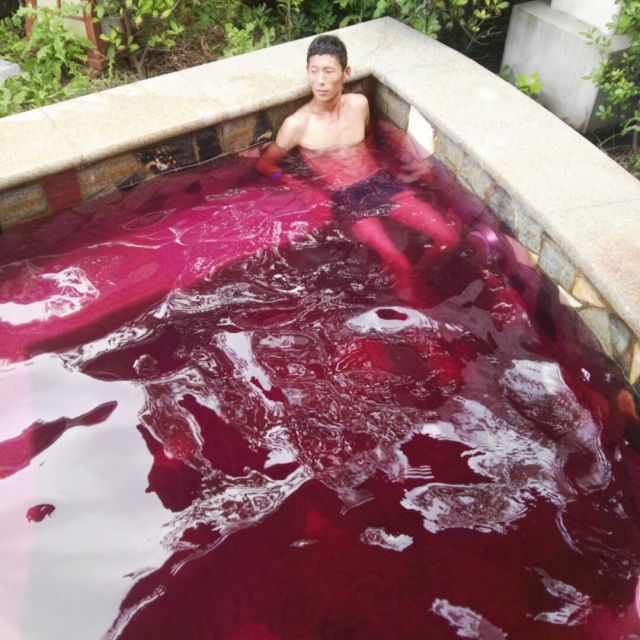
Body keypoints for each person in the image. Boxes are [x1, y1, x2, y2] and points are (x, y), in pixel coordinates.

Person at [256, 34, 459, 303]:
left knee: (449, 237)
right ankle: (413, 301)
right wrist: (302, 187)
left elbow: (370, 144)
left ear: (346, 72)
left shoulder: (359, 104)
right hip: (347, 197)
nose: (320, 80)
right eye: (314, 71)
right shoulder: (298, 124)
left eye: (328, 71)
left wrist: (401, 169)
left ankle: (420, 273)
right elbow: (265, 164)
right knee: (397, 261)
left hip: (382, 183)